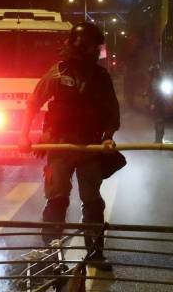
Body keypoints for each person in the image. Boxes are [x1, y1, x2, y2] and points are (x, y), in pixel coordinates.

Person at [19, 21, 120, 261]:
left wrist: (107, 137)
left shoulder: (101, 76)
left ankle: (95, 253)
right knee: (57, 199)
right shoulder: (58, 72)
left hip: (90, 146)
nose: (96, 53)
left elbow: (111, 112)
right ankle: (52, 254)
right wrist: (23, 135)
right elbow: (33, 103)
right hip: (59, 145)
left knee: (93, 202)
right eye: (94, 48)